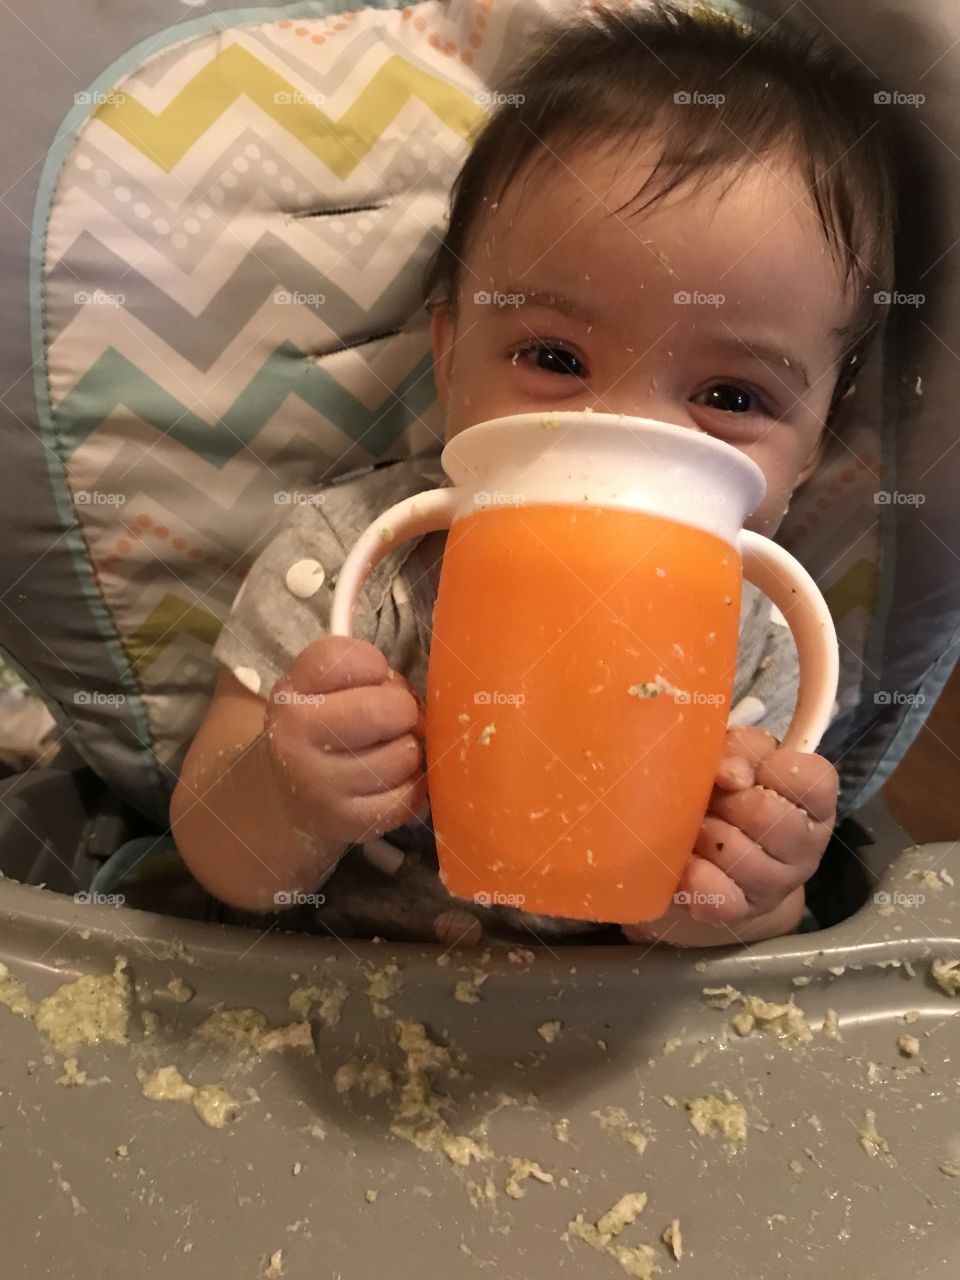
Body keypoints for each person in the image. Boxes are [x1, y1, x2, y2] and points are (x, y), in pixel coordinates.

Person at [170, 1, 896, 948]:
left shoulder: (758, 635)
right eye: (555, 359)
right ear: (449, 354)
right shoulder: (350, 563)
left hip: (602, 1038)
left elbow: (737, 949)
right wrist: (285, 793)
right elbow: (216, 853)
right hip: (344, 988)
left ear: (813, 447)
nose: (623, 433)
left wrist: (744, 892)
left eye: (730, 393)